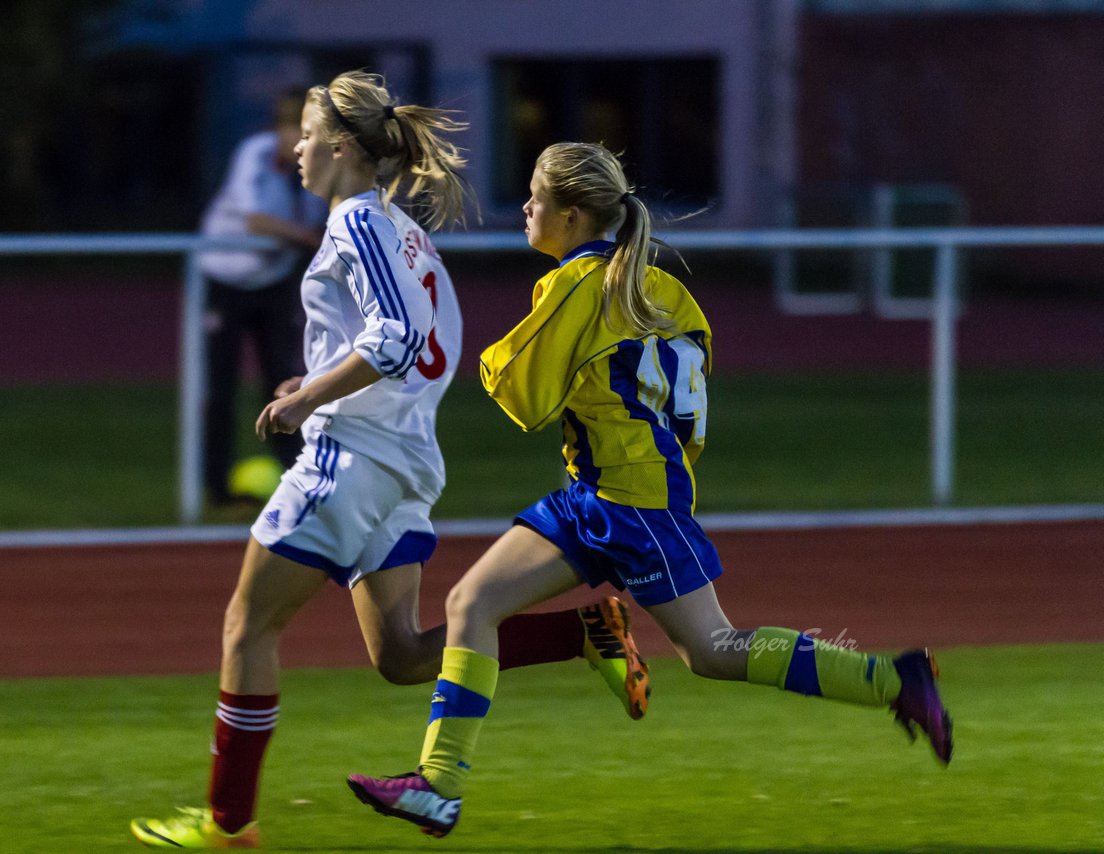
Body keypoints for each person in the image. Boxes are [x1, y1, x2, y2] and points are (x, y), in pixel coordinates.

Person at [347, 142, 955, 838]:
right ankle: (438, 786)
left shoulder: (576, 283)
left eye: (537, 199)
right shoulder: (664, 289)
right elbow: (687, 409)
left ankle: (894, 679)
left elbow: (520, 390)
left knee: (712, 650)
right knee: (471, 602)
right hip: (606, 493)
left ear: (572, 216)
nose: (526, 208)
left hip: (628, 502)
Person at [131, 80, 650, 850]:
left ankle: (227, 824)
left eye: (307, 137)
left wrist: (314, 405)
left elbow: (398, 338)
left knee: (248, 626)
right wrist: (317, 383)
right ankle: (586, 633)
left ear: (342, 149)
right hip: (404, 465)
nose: (297, 151)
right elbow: (426, 350)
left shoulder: (355, 225)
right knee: (402, 656)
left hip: (350, 462)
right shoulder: (404, 235)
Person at [198, 88, 329, 505]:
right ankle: (215, 488)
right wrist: (309, 239)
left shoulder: (315, 171)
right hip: (224, 280)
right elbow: (257, 221)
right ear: (280, 128)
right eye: (299, 131)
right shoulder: (255, 153)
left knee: (283, 382)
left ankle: (296, 481)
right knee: (220, 387)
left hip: (274, 283)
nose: (303, 143)